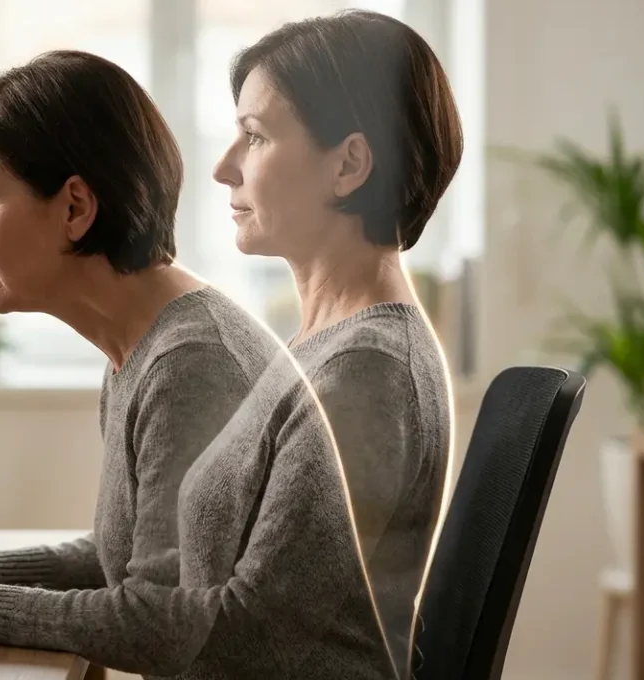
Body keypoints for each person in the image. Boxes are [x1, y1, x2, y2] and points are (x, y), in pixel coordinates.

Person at [0, 50, 394, 679]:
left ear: (75, 207)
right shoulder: (144, 343)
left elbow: (157, 623)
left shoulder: (193, 363)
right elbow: (145, 560)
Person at [211, 9, 464, 677]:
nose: (223, 168)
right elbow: (182, 554)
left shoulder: (366, 371)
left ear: (349, 164)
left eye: (254, 137)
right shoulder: (327, 347)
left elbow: (247, 638)